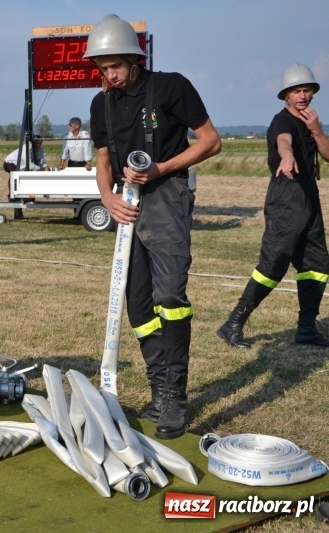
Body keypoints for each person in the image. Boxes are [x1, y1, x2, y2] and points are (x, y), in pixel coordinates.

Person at [85, 14, 221, 439]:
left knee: (169, 295)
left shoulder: (170, 86)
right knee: (139, 307)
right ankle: (159, 387)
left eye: (115, 66)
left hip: (166, 196)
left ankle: (176, 397)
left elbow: (210, 141)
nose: (109, 74)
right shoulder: (100, 103)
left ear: (134, 58)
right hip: (126, 203)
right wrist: (107, 199)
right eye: (102, 68)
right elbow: (104, 161)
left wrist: (160, 167)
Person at [217, 63, 329, 349]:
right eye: (296, 91)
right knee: (274, 262)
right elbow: (283, 141)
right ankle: (233, 323)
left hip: (309, 196)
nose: (302, 95)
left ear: (313, 93)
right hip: (286, 196)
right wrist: (287, 156)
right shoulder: (282, 122)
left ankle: (306, 329)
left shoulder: (311, 121)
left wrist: (317, 130)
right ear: (286, 95)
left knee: (316, 265)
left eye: (307, 90)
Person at [3, 135, 48, 219]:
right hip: (11, 163)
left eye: (40, 142)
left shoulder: (40, 150)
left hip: (22, 167)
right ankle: (13, 197)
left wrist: (46, 167)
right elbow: (30, 165)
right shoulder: (26, 149)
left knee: (25, 184)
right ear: (32, 142)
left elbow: (41, 161)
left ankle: (24, 198)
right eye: (37, 142)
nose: (39, 143)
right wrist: (42, 168)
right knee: (15, 182)